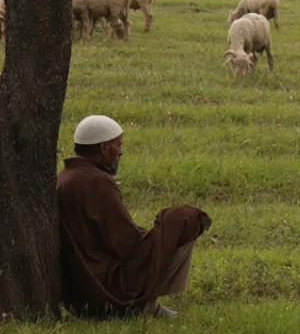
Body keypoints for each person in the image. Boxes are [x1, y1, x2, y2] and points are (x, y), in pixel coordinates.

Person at [55, 115, 211, 318]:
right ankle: (144, 303)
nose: (120, 152)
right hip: (107, 290)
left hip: (78, 293)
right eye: (117, 146)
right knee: (185, 219)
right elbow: (126, 244)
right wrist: (161, 236)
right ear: (104, 148)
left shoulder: (63, 178)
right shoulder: (96, 182)